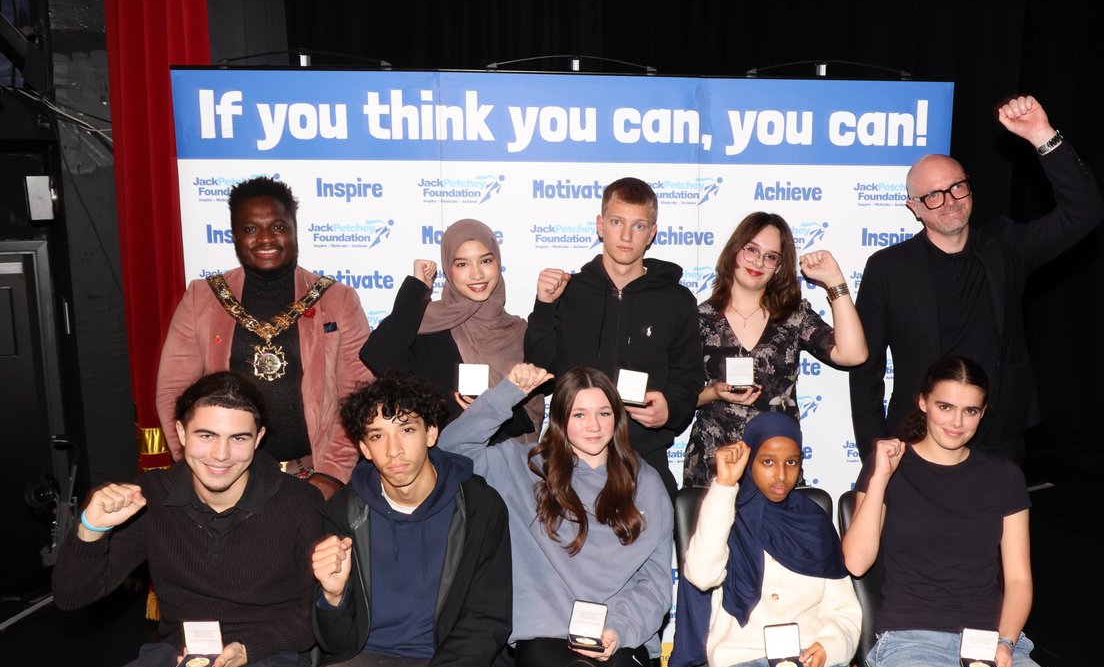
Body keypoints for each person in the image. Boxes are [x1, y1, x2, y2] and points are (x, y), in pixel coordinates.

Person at [36, 372, 322, 667]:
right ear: (180, 434)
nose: (220, 455)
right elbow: (72, 596)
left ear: (258, 440)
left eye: (238, 438)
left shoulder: (299, 503)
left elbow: (319, 612)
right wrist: (90, 529)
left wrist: (251, 649)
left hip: (267, 658)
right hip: (177, 655)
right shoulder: (152, 496)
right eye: (206, 435)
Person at [841, 355, 1104, 667]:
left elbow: (1018, 580)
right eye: (946, 406)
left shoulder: (1002, 477)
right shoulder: (891, 468)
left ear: (983, 413)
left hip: (994, 643)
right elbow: (856, 562)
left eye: (970, 411)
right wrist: (879, 477)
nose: (957, 422)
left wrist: (1005, 642)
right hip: (913, 647)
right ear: (923, 402)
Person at [440, 363, 674, 667]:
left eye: (603, 412)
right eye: (579, 414)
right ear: (560, 419)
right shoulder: (522, 466)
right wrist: (508, 391)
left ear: (617, 417)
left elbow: (655, 581)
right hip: (545, 642)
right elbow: (449, 452)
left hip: (621, 640)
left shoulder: (646, 482)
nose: (594, 425)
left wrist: (619, 627)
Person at [849, 95, 1104, 466]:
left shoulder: (1006, 245)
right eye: (933, 196)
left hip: (996, 438)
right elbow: (865, 370)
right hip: (917, 439)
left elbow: (1084, 212)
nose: (949, 200)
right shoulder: (888, 268)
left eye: (957, 187)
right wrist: (875, 450)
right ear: (914, 208)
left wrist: (1042, 135)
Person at [273, 372, 512, 667]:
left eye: (406, 429)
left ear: (432, 433)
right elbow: (337, 642)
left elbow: (487, 623)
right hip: (362, 662)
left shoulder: (480, 507)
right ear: (364, 448)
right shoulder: (342, 512)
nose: (394, 450)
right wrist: (331, 597)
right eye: (377, 436)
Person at [673, 411, 882, 667]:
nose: (781, 475)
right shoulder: (724, 512)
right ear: (749, 458)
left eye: (791, 463)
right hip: (743, 666)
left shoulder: (813, 522)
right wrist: (724, 487)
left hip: (816, 664)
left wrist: (828, 647)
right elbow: (703, 574)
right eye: (768, 462)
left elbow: (845, 611)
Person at [156, 176, 373, 499]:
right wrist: (201, 466)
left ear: (295, 230)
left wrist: (332, 474)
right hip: (228, 479)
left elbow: (358, 394)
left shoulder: (336, 300)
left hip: (313, 477)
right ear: (234, 236)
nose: (266, 239)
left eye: (278, 226)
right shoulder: (204, 298)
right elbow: (174, 393)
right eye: (250, 229)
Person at [523, 176, 704, 496]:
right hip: (569, 458)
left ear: (652, 233)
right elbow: (541, 371)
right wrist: (544, 307)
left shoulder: (676, 300)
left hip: (644, 459)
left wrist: (670, 410)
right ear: (600, 225)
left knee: (659, 544)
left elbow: (689, 381)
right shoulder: (568, 292)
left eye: (638, 226)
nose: (625, 235)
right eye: (617, 221)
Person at [682, 212, 867, 488]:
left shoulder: (793, 316)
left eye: (770, 257)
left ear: (779, 267)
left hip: (778, 470)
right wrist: (713, 392)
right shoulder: (700, 319)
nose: (758, 261)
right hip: (713, 467)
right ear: (734, 252)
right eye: (751, 250)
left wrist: (834, 281)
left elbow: (853, 354)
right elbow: (680, 397)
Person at [359, 217, 543, 444]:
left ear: (498, 263)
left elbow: (532, 413)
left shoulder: (518, 331)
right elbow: (376, 355)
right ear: (448, 269)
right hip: (444, 468)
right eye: (462, 264)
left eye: (485, 260)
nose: (477, 274)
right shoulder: (429, 328)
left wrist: (492, 409)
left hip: (504, 466)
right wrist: (417, 288)